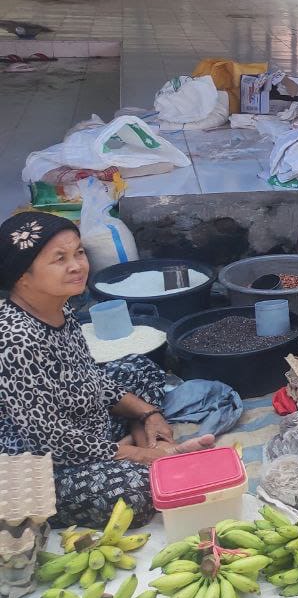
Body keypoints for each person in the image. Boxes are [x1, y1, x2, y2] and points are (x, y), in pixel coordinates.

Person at [0, 212, 215, 528]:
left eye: (79, 252)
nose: (77, 266)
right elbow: (50, 439)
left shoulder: (58, 308)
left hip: (84, 425)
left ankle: (140, 438)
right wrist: (141, 457)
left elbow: (89, 378)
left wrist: (148, 414)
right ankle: (143, 449)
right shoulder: (14, 338)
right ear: (23, 276)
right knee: (138, 492)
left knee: (139, 367)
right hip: (38, 464)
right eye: (59, 259)